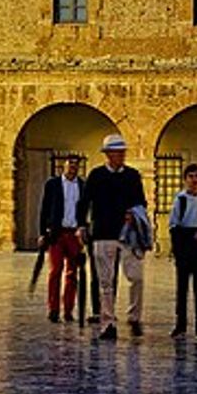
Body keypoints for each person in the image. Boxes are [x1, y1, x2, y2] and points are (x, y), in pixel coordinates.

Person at [84, 134, 149, 341]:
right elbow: (84, 202)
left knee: (136, 277)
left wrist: (134, 213)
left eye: (123, 152)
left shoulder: (132, 176)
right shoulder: (96, 176)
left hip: (129, 235)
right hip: (103, 233)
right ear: (108, 154)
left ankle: (134, 316)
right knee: (106, 281)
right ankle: (108, 322)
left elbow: (142, 202)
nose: (121, 155)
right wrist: (81, 225)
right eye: (117, 152)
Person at [30, 156, 86, 323]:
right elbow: (44, 209)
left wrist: (84, 229)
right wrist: (41, 233)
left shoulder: (82, 186)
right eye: (70, 165)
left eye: (75, 166)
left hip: (74, 234)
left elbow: (85, 209)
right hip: (57, 233)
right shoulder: (52, 184)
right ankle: (53, 309)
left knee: (72, 273)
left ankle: (68, 309)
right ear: (64, 166)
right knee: (55, 271)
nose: (72, 169)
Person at [167, 163, 197, 340]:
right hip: (185, 247)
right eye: (191, 176)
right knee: (182, 288)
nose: (194, 180)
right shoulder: (180, 199)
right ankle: (180, 325)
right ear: (185, 179)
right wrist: (179, 247)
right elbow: (174, 225)